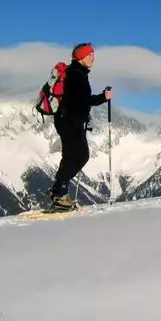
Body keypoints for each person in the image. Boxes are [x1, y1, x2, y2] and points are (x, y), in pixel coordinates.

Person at [49, 42, 112, 208]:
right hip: (70, 122)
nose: (93, 58)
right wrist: (103, 97)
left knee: (73, 156)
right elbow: (84, 100)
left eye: (93, 55)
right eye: (90, 55)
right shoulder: (77, 74)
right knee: (79, 156)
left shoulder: (74, 72)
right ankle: (59, 194)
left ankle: (58, 192)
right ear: (81, 57)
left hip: (67, 121)